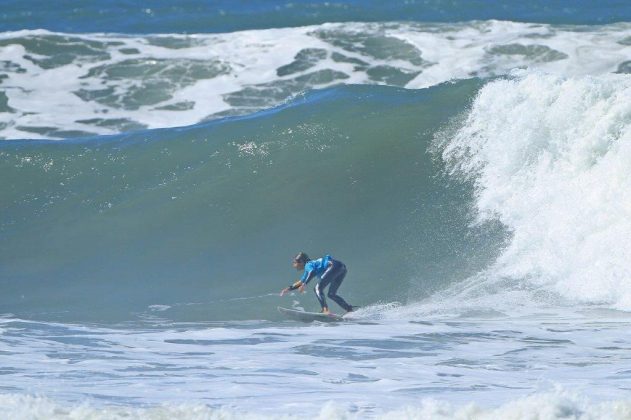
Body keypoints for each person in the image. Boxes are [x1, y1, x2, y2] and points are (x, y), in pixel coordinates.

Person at [280, 252, 355, 314]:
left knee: (317, 289)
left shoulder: (308, 265)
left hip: (333, 266)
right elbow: (301, 281)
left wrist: (304, 284)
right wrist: (289, 289)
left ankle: (325, 310)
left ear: (301, 262)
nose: (294, 265)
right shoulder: (310, 267)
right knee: (331, 294)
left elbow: (311, 273)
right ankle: (349, 309)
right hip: (341, 268)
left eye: (295, 263)